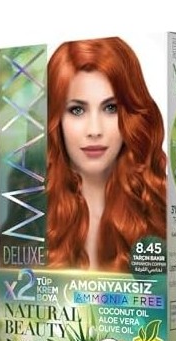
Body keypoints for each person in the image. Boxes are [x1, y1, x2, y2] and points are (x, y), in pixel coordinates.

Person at [47, 36, 166, 272]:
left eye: (111, 108)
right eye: (77, 110)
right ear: (55, 120)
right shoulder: (30, 221)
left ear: (132, 116)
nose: (94, 130)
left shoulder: (161, 213)